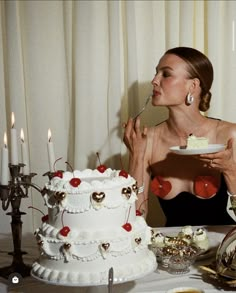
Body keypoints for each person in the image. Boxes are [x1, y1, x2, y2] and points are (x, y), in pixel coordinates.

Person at [123, 46, 236, 226]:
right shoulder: (147, 140)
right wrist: (137, 157)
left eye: (165, 74)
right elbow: (135, 219)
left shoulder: (229, 135)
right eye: (156, 73)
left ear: (193, 86)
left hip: (223, 249)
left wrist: (230, 170)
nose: (154, 80)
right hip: (174, 249)